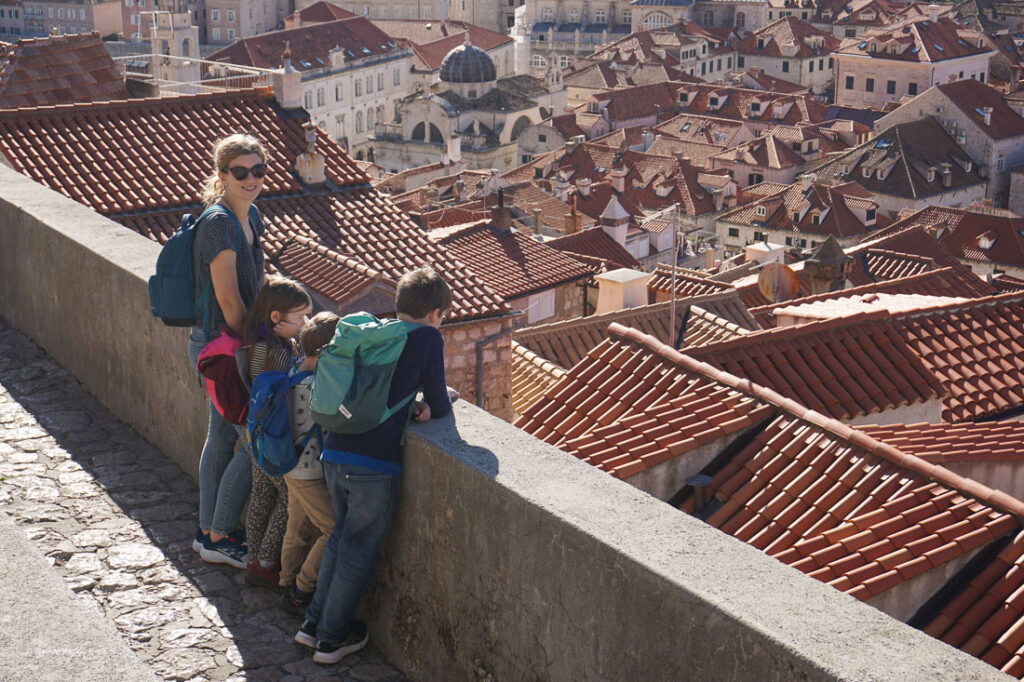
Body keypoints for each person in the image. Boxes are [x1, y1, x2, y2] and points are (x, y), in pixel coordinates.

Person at [294, 267, 457, 665]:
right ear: (436, 312)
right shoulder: (427, 338)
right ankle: (331, 640)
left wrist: (408, 404)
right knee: (358, 550)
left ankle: (312, 625)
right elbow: (438, 397)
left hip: (335, 451)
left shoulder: (376, 331)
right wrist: (435, 402)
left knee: (339, 540)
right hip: (374, 462)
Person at [187, 133, 269, 569]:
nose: (251, 178)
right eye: (240, 172)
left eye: (258, 170)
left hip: (229, 344)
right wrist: (261, 345)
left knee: (220, 437)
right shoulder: (219, 223)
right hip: (223, 348)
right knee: (254, 445)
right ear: (222, 175)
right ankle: (218, 534)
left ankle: (207, 532)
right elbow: (230, 300)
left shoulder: (251, 216)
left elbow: (258, 283)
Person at [239, 275, 313, 587]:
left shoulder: (257, 343)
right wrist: (303, 337)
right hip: (273, 434)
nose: (305, 322)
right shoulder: (281, 353)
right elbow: (295, 381)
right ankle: (266, 562)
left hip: (253, 431)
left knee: (261, 493)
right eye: (300, 318)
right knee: (286, 496)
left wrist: (297, 331)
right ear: (276, 318)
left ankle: (254, 557)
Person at [278, 312, 340, 615]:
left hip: (288, 463)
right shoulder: (319, 385)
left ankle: (284, 579)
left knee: (297, 525)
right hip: (310, 471)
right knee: (333, 528)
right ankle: (301, 588)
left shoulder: (292, 370)